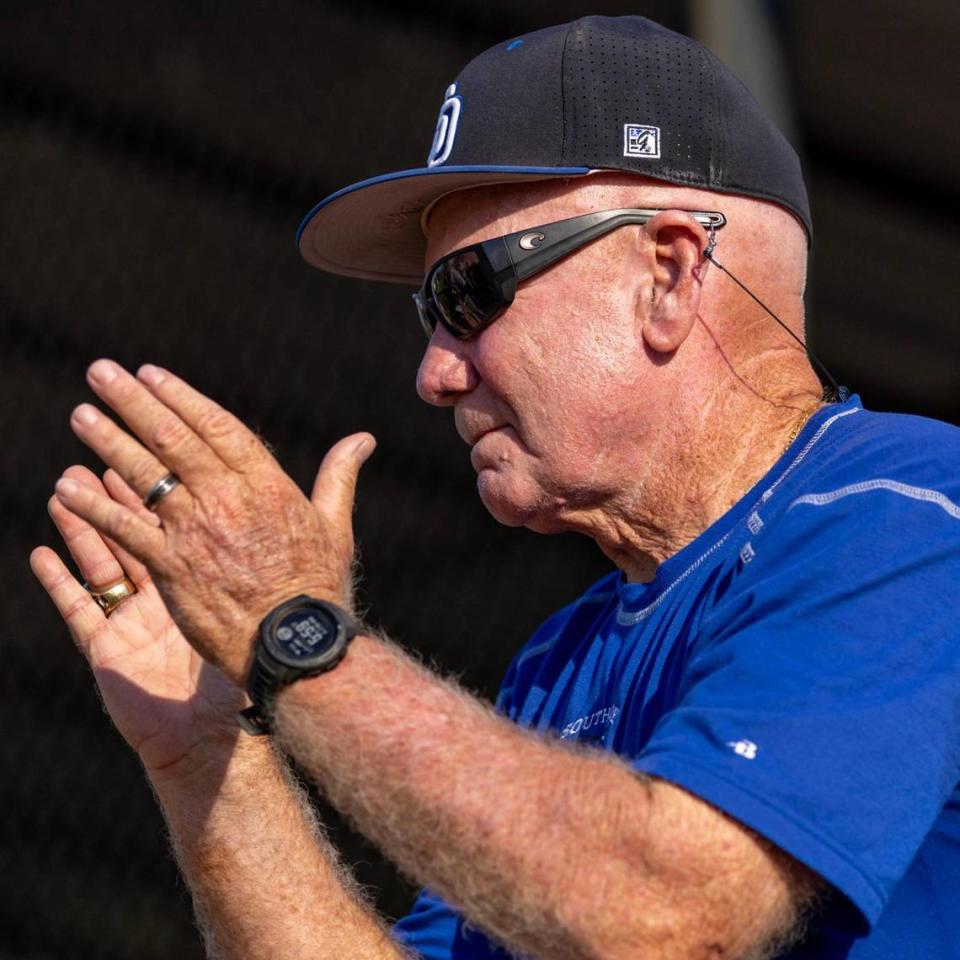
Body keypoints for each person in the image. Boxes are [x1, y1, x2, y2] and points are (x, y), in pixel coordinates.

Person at [30, 15, 960, 960]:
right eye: (425, 310)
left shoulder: (907, 512)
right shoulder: (564, 658)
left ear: (670, 275)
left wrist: (291, 631)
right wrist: (210, 758)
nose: (433, 373)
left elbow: (671, 914)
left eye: (469, 294)